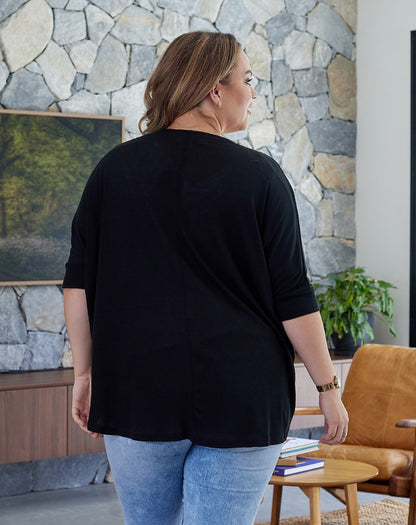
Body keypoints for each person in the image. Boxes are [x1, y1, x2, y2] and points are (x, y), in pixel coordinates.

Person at [63, 31, 348, 525]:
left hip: (136, 389)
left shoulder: (112, 171)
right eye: (248, 80)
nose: (253, 93)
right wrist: (327, 388)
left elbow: (78, 286)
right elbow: (293, 297)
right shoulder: (261, 177)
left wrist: (84, 375)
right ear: (216, 91)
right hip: (242, 394)